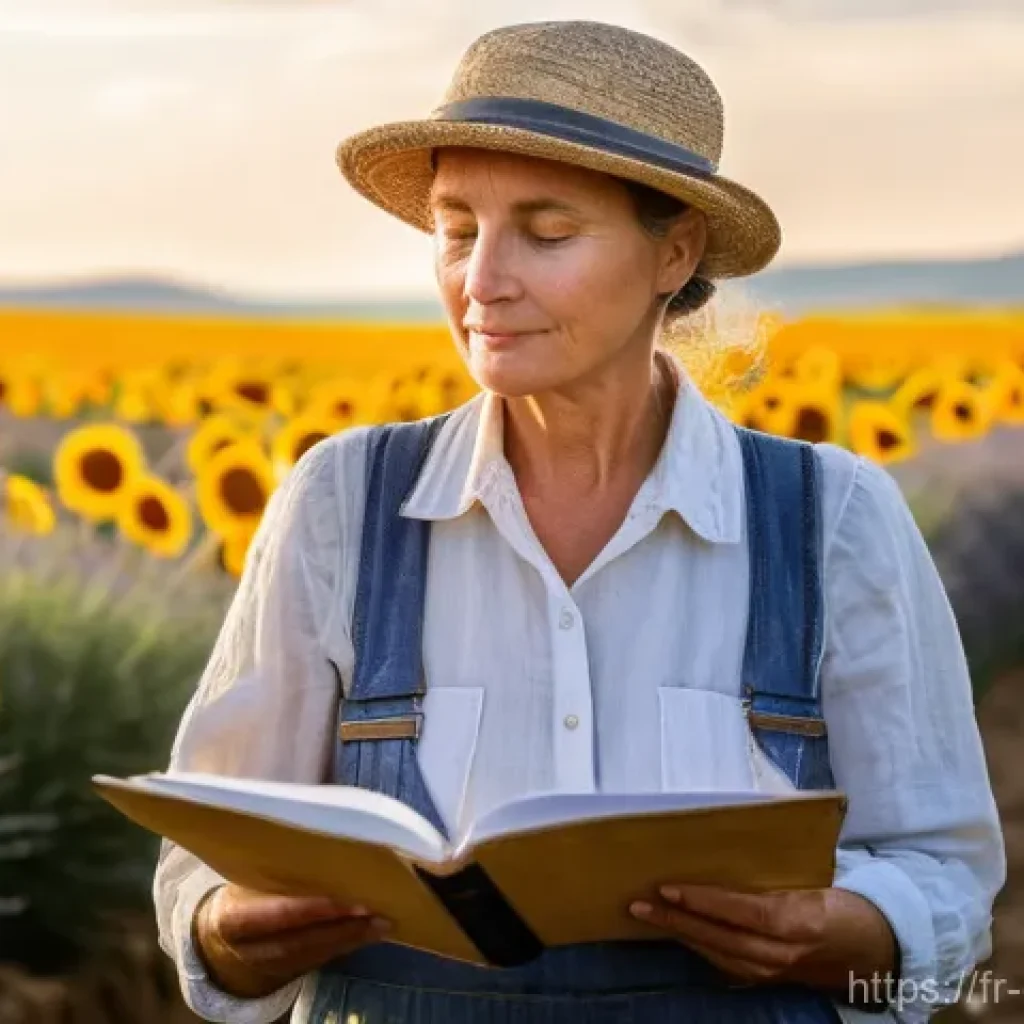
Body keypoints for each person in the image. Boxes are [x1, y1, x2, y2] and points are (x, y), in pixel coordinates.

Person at [154, 19, 1005, 1024]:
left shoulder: (832, 519)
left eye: (546, 231)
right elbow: (200, 876)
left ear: (673, 252)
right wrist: (227, 934)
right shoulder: (339, 503)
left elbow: (944, 873)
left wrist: (848, 933)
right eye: (458, 227)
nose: (481, 280)